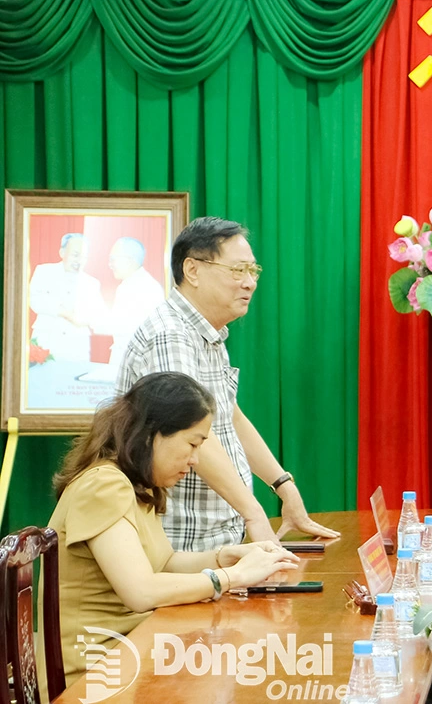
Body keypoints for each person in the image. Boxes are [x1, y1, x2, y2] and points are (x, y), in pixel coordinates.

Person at [48, 372, 300, 686]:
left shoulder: (135, 483)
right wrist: (232, 577)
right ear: (152, 433)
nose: (195, 460)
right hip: (97, 673)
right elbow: (141, 592)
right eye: (192, 444)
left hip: (134, 651)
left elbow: (164, 563)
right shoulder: (104, 485)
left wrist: (225, 557)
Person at [117, 217, 338, 551]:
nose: (250, 283)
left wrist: (284, 486)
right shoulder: (171, 336)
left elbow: (228, 416)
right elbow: (190, 433)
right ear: (192, 270)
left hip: (214, 538)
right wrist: (254, 513)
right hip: (182, 542)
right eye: (238, 271)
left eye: (253, 271)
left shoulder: (208, 334)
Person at [29, 233, 106, 362]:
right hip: (46, 341)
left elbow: (99, 314)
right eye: (75, 255)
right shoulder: (44, 271)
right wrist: (66, 313)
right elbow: (33, 300)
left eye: (84, 257)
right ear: (62, 252)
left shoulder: (92, 283)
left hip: (76, 346)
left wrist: (85, 319)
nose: (79, 261)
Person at [105, 237, 165, 370]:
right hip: (123, 360)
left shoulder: (148, 288)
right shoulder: (125, 286)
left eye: (113, 259)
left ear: (129, 260)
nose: (110, 264)